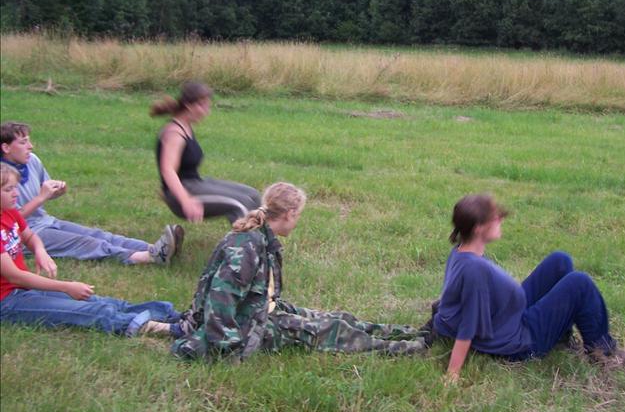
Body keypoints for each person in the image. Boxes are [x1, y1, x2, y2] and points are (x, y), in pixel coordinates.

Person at [173, 182, 428, 361]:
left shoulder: (261, 237)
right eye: (298, 215)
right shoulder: (246, 246)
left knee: (338, 318)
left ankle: (411, 333)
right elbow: (220, 301)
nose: (298, 221)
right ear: (289, 214)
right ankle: (410, 348)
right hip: (247, 325)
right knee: (331, 331)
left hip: (260, 310)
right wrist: (230, 348)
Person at [433, 194, 625, 384]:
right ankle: (603, 353)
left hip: (507, 317)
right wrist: (453, 373)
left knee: (560, 261)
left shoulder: (462, 251)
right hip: (519, 341)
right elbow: (468, 324)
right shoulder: (474, 270)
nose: (500, 219)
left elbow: (454, 303)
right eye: (495, 218)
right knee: (580, 283)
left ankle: (560, 336)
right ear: (478, 228)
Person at [0, 164, 183, 337]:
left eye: (15, 187)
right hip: (7, 302)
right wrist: (66, 286)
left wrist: (40, 250)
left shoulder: (10, 212)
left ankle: (172, 315)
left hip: (23, 288)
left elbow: (29, 236)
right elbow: (15, 276)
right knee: (92, 311)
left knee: (99, 301)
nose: (16, 193)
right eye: (9, 189)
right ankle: (171, 330)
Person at [0, 121, 181, 266]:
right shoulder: (3, 177)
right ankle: (146, 257)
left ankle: (154, 248)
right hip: (21, 234)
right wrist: (41, 197)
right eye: (23, 142)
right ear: (6, 148)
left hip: (46, 221)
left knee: (98, 234)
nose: (30, 146)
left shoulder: (32, 161)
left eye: (29, 141)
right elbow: (11, 218)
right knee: (85, 243)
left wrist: (57, 190)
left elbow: (46, 191)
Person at [151, 81, 261, 224]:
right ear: (189, 105)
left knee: (253, 195)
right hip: (182, 193)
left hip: (196, 183)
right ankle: (243, 239)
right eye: (203, 106)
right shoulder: (174, 133)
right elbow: (168, 170)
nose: (207, 111)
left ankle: (262, 236)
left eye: (208, 106)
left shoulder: (186, 126)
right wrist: (185, 200)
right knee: (240, 204)